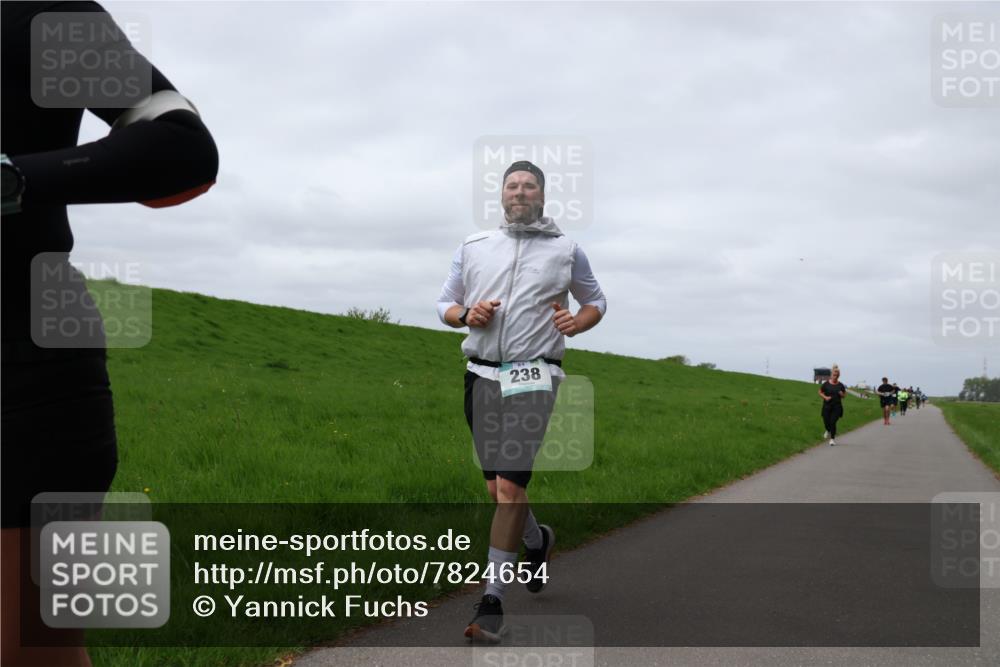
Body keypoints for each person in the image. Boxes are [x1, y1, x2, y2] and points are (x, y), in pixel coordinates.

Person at [2, 3, 218, 665]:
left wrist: (12, 178)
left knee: (29, 645)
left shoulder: (35, 12)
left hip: (24, 365)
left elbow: (182, 148)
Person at [437, 160, 606, 642]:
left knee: (509, 491)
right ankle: (538, 541)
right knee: (497, 492)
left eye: (529, 185)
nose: (519, 192)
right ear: (502, 195)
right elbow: (444, 304)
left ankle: (492, 601)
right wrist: (466, 313)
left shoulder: (566, 250)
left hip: (535, 375)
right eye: (512, 185)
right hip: (480, 375)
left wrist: (581, 321)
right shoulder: (473, 247)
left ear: (542, 196)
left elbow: (595, 300)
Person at [818, 364, 846, 446]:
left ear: (838, 376)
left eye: (837, 376)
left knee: (833, 422)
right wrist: (825, 397)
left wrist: (842, 394)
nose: (835, 377)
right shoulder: (826, 384)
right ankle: (827, 430)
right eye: (834, 375)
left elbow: (844, 396)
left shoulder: (841, 385)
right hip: (827, 406)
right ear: (831, 375)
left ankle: (832, 439)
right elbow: (819, 392)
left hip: (837, 407)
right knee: (826, 421)